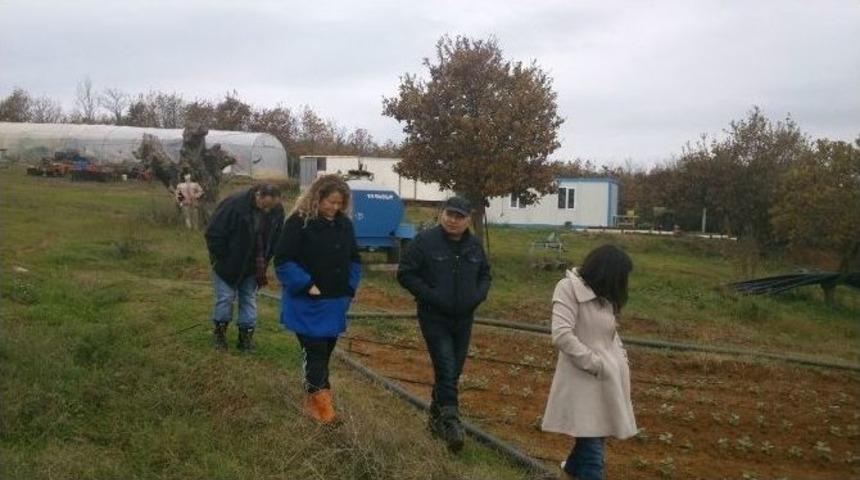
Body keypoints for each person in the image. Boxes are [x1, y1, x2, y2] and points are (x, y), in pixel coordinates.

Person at [396, 196, 491, 452]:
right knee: (446, 367)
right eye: (449, 214)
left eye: (459, 216)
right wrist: (430, 295)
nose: (453, 220)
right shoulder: (425, 242)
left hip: (464, 318)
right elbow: (405, 273)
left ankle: (435, 420)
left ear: (467, 220)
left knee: (454, 371)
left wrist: (477, 296)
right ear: (442, 214)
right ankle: (451, 423)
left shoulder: (474, 246)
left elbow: (485, 275)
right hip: (434, 316)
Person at [541, 244, 637, 480]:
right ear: (606, 273)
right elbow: (562, 335)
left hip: (605, 380)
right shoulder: (568, 288)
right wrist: (595, 364)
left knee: (592, 437)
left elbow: (610, 335)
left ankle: (569, 471)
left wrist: (620, 358)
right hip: (583, 379)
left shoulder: (604, 299)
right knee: (593, 446)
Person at [273, 174, 361, 424]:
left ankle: (316, 401)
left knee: (326, 351)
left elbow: (354, 260)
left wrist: (349, 288)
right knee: (315, 352)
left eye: (340, 203)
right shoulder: (299, 222)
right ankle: (323, 411)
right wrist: (305, 284)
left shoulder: (345, 225)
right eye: (330, 202)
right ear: (317, 198)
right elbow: (283, 260)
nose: (335, 208)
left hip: (335, 302)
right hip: (306, 303)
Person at [204, 184, 285, 352]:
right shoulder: (234, 204)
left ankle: (245, 340)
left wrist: (268, 256)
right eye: (265, 205)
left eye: (272, 206)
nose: (268, 210)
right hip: (227, 263)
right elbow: (213, 232)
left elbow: (277, 236)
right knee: (225, 298)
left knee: (249, 299)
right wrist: (222, 258)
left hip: (254, 264)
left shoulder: (277, 210)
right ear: (258, 195)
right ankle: (219, 336)